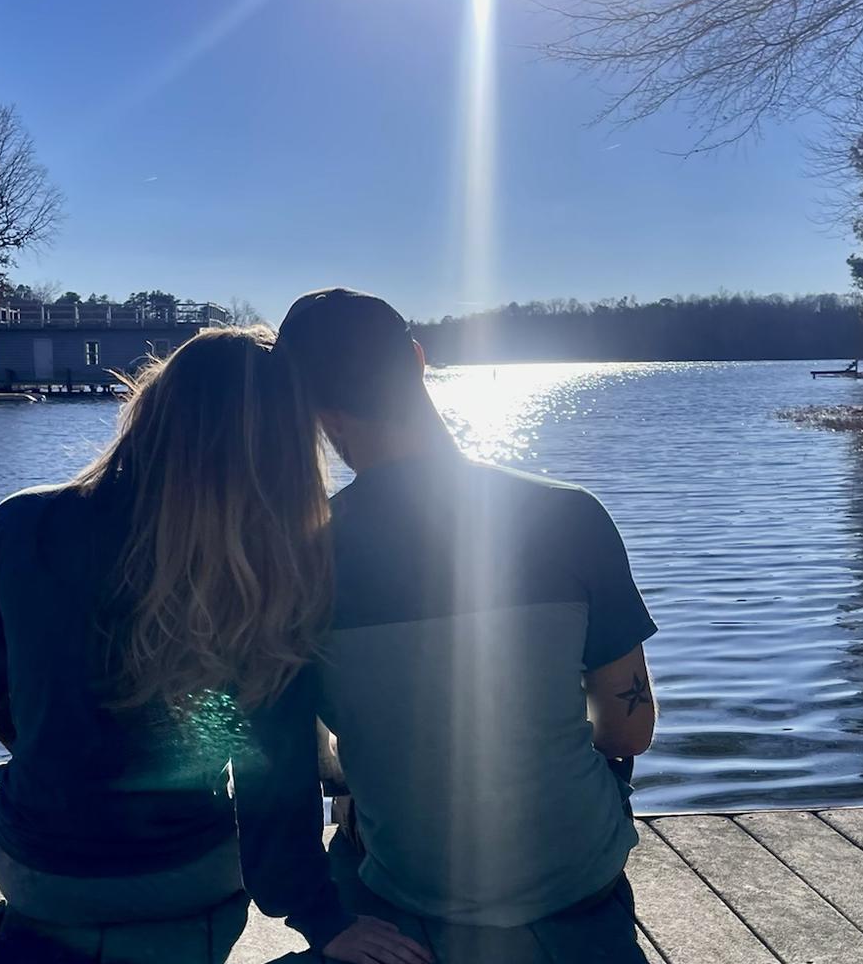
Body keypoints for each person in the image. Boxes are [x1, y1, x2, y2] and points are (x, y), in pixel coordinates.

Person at [0, 326, 431, 964]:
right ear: (284, 444)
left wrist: (61, 749)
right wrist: (320, 916)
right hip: (192, 874)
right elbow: (273, 765)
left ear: (154, 405)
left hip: (41, 876)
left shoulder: (23, 523)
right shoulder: (267, 569)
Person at [275, 289, 657, 926]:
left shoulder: (295, 556)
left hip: (410, 886)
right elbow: (629, 730)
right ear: (419, 360)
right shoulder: (572, 516)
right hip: (577, 873)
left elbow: (302, 751)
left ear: (315, 411)